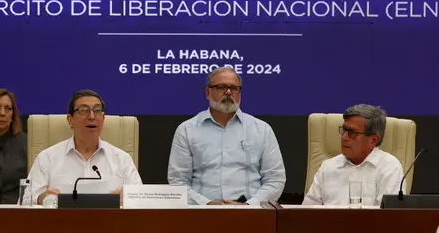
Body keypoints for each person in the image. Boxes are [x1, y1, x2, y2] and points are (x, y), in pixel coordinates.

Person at [167, 67, 286, 205]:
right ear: (207, 92)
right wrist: (207, 204)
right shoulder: (187, 130)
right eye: (221, 87)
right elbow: (178, 181)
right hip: (200, 214)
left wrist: (249, 206)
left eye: (234, 88)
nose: (228, 92)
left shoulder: (262, 129)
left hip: (252, 215)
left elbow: (275, 179)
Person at [25, 89, 142, 205]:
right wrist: (40, 198)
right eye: (83, 110)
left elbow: (142, 201)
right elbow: (25, 201)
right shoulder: (47, 158)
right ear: (70, 120)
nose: (91, 116)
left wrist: (128, 200)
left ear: (103, 118)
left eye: (97, 110)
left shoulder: (122, 160)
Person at [302, 104, 404, 206]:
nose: (344, 137)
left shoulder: (390, 168)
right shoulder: (328, 167)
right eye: (344, 130)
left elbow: (389, 217)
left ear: (373, 140)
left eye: (352, 132)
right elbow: (306, 212)